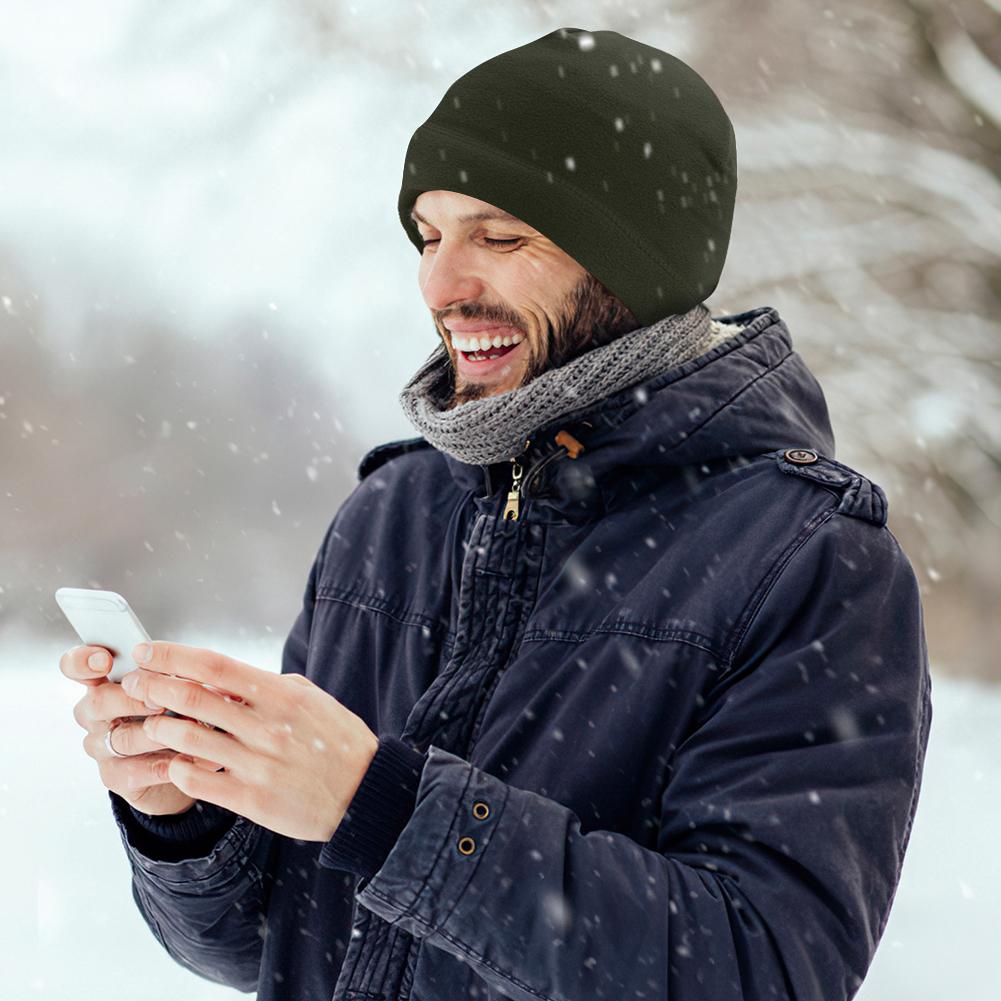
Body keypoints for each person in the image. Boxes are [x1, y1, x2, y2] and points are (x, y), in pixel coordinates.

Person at [60, 26, 932, 1001]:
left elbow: (762, 968)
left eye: (498, 236)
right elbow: (275, 944)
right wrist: (184, 812)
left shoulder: (805, 558)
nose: (439, 285)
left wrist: (382, 809)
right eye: (429, 236)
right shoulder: (390, 513)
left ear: (631, 260)